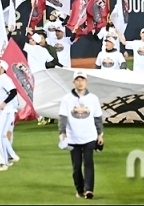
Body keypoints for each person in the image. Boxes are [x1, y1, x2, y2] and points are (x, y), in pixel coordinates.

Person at [58, 70, 104, 199]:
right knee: (76, 167)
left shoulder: (93, 98)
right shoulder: (66, 99)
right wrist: (62, 132)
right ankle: (80, 190)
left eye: (82, 80)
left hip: (89, 136)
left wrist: (100, 134)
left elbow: (97, 117)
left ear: (86, 82)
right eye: (78, 80)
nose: (80, 82)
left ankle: (89, 190)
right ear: (74, 82)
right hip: (73, 137)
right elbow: (63, 117)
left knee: (89, 163)